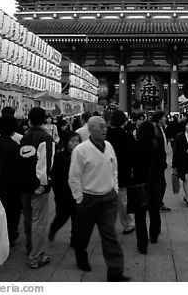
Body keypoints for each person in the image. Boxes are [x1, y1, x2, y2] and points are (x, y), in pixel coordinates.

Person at [68, 116, 130, 282]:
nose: (105, 129)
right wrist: (79, 198)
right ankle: (81, 257)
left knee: (110, 235)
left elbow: (114, 169)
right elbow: (74, 177)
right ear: (90, 129)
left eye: (105, 126)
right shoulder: (80, 150)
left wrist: (114, 188)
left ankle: (115, 272)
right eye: (100, 127)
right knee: (83, 234)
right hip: (88, 199)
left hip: (108, 199)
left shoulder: (109, 146)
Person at [19, 107, 55, 269]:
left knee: (28, 217)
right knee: (39, 220)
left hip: (24, 183)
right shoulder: (46, 137)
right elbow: (45, 164)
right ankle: (36, 256)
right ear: (44, 119)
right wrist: (43, 184)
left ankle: (30, 247)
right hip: (37, 185)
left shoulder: (24, 137)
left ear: (30, 119)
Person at [128, 121, 164, 253]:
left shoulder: (134, 145)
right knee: (154, 211)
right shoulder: (157, 145)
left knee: (140, 215)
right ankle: (154, 235)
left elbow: (130, 164)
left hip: (138, 183)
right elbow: (163, 165)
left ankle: (142, 244)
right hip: (154, 183)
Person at [105, 110, 136, 234]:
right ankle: (128, 223)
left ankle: (106, 225)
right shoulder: (127, 135)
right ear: (123, 121)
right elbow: (133, 155)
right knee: (122, 199)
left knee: (105, 199)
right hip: (123, 171)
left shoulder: (105, 134)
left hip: (106, 170)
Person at [0, 115, 22, 247]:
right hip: (11, 186)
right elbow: (17, 169)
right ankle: (9, 237)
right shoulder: (13, 146)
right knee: (12, 213)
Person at [49, 130, 80, 245]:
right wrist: (58, 193)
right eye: (73, 141)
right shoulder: (60, 156)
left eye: (77, 141)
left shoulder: (81, 156)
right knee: (62, 216)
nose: (76, 143)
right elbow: (55, 176)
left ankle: (74, 239)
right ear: (66, 142)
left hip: (76, 191)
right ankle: (53, 228)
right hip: (63, 192)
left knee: (76, 216)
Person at [151, 111, 170, 212]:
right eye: (164, 117)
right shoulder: (155, 129)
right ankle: (157, 203)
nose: (165, 118)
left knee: (161, 184)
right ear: (159, 119)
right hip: (157, 161)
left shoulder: (161, 128)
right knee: (160, 184)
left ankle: (159, 202)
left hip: (161, 159)